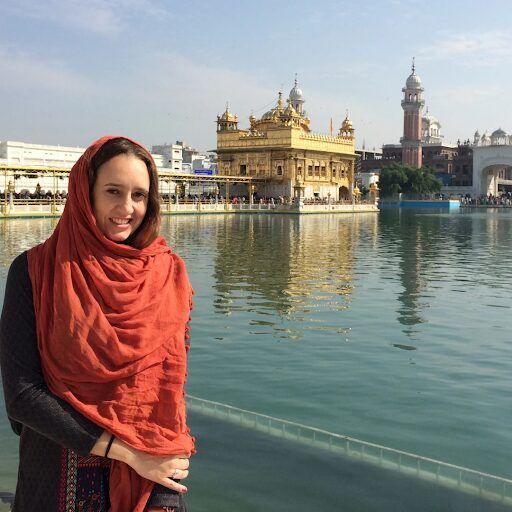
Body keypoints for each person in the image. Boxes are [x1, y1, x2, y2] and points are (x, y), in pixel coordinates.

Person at [0, 136, 195, 512]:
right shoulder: (35, 272)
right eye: (112, 191)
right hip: (56, 481)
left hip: (151, 483)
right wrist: (129, 455)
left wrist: (163, 486)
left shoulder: (168, 276)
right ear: (84, 193)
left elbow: (167, 396)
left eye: (139, 195)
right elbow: (22, 396)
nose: (127, 208)